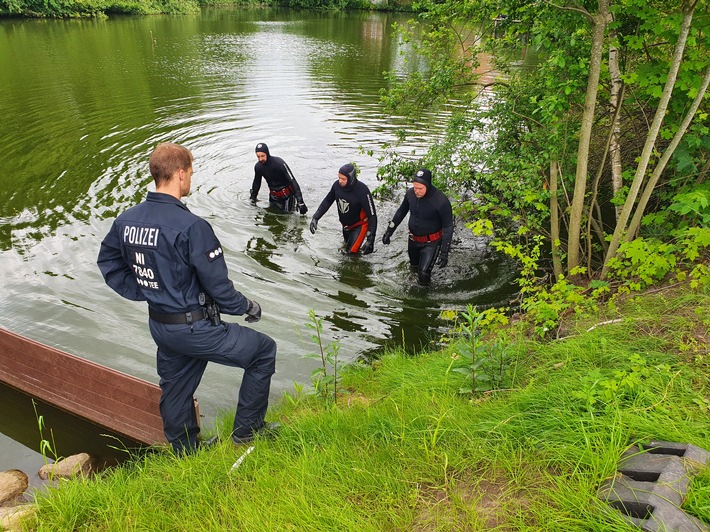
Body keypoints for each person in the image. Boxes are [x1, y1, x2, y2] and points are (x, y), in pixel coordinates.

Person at [97, 142, 277, 454]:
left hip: (161, 325)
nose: (191, 179)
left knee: (176, 386)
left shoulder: (127, 220)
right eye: (191, 172)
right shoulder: (193, 226)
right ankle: (248, 432)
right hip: (195, 328)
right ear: (180, 174)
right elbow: (218, 287)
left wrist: (146, 288)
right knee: (263, 352)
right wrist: (247, 306)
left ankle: (184, 451)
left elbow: (109, 263)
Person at [381, 168, 453, 286]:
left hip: (431, 242)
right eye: (415, 187)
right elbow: (401, 212)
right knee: (413, 268)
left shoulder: (441, 201)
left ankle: (424, 300)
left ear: (428, 186)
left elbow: (448, 227)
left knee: (423, 275)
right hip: (413, 240)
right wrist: (389, 231)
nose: (417, 191)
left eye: (420, 188)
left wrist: (444, 252)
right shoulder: (410, 194)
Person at [309, 163, 377, 255]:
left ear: (351, 178)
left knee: (349, 254)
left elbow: (372, 215)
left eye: (343, 179)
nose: (340, 181)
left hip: (359, 226)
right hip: (345, 226)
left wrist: (370, 239)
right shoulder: (336, 186)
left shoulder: (362, 191)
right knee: (346, 247)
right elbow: (327, 201)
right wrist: (316, 217)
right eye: (339, 178)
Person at [252, 142, 308, 214]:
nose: (260, 159)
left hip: (287, 197)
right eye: (258, 156)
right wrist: (253, 198)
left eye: (262, 156)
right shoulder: (258, 167)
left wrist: (300, 202)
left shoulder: (279, 163)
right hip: (273, 197)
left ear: (267, 153)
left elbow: (292, 181)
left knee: (285, 218)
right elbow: (256, 183)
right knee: (270, 218)